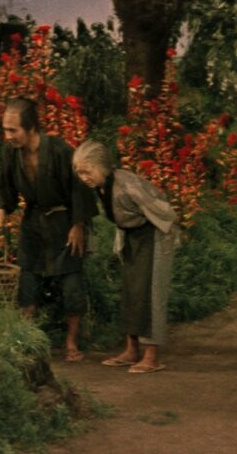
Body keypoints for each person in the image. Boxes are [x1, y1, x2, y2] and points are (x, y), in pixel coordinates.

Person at [0, 98, 97, 362]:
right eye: (5, 130)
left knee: (71, 282)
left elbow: (79, 187)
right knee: (27, 280)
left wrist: (78, 224)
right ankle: (28, 340)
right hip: (33, 222)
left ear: (31, 128)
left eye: (13, 130)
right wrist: (3, 209)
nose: (8, 136)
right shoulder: (11, 153)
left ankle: (71, 342)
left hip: (64, 222)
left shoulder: (60, 150)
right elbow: (6, 184)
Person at [71, 140, 176, 374]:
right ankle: (132, 350)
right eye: (80, 172)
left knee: (150, 292)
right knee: (131, 292)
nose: (83, 177)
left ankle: (152, 356)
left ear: (102, 167)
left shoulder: (128, 185)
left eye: (87, 171)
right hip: (132, 236)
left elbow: (165, 213)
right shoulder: (101, 186)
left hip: (154, 234)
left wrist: (165, 242)